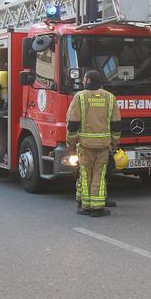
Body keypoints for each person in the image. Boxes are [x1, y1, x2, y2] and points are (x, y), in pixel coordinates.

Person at [65, 71, 121, 217]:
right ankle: (97, 207)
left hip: (85, 145)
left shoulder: (80, 97)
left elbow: (72, 123)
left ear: (88, 80)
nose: (83, 81)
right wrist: (114, 142)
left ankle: (86, 206)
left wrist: (70, 142)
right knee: (99, 175)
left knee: (85, 174)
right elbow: (116, 124)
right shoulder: (110, 97)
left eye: (84, 79)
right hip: (103, 145)